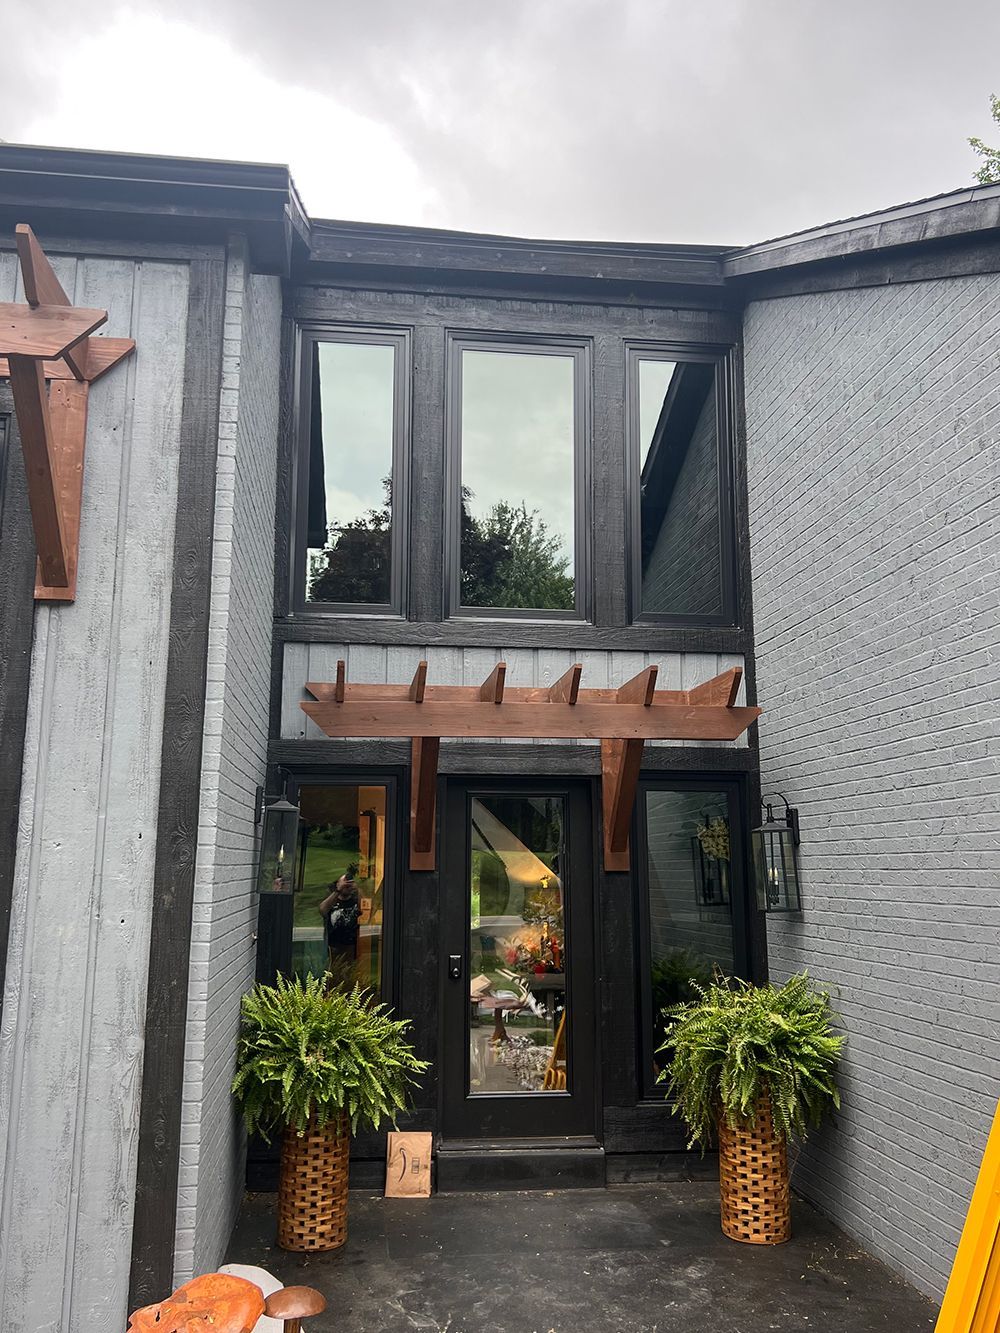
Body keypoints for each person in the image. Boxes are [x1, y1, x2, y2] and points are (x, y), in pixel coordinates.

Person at [318, 866, 361, 980]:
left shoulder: (356, 900)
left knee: (349, 978)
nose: (347, 885)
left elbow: (371, 906)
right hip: (332, 947)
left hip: (351, 948)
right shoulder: (332, 900)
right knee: (332, 977)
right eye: (344, 882)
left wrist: (358, 889)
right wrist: (338, 890)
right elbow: (322, 909)